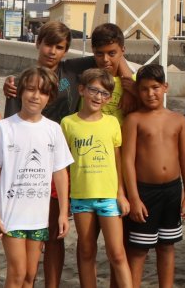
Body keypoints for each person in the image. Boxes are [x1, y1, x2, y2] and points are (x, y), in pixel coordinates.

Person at [2, 20, 134, 288]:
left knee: (56, 234)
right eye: (48, 45)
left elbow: (112, 56)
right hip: (33, 165)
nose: (52, 51)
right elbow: (11, 130)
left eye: (60, 47)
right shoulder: (22, 81)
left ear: (66, 50)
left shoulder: (73, 69)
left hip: (69, 163)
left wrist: (129, 84)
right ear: (38, 43)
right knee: (37, 232)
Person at [0, 67, 74, 288]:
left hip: (39, 217)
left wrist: (63, 212)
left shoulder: (53, 129)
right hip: (11, 215)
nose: (35, 96)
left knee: (30, 275)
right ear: (21, 91)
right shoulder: (4, 128)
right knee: (17, 273)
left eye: (43, 92)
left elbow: (60, 173)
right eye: (31, 89)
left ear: (50, 97)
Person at [122, 63, 185, 288]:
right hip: (145, 192)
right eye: (144, 89)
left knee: (167, 246)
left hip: (172, 190)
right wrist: (134, 198)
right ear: (138, 90)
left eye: (155, 87)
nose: (150, 93)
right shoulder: (134, 120)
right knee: (138, 250)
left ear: (165, 87)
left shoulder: (178, 119)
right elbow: (127, 160)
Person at [61, 69, 134, 288]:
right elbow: (63, 165)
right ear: (81, 90)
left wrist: (121, 193)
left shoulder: (112, 123)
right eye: (93, 90)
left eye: (104, 93)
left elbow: (117, 160)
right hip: (81, 197)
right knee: (86, 251)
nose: (98, 97)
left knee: (117, 253)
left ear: (109, 98)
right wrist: (65, 201)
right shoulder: (67, 123)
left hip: (109, 198)